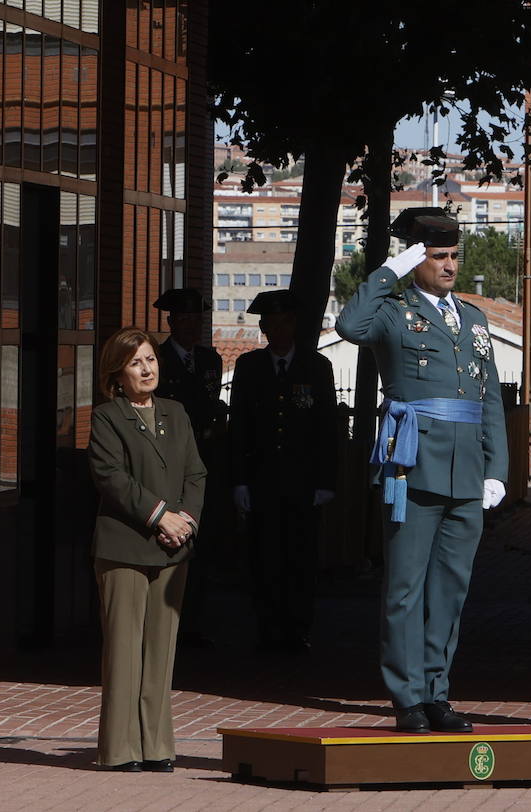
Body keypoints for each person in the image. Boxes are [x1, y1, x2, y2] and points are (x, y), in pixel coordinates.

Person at [335, 207, 508, 734]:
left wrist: (496, 466)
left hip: (466, 470)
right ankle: (407, 695)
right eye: (437, 256)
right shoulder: (393, 309)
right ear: (416, 260)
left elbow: (489, 398)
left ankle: (437, 690)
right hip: (413, 464)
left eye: (454, 255)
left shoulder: (473, 318)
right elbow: (349, 325)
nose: (449, 265)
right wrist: (389, 271)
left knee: (450, 590)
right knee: (405, 589)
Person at [87, 326, 206, 772]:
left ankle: (156, 746)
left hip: (173, 549)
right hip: (124, 548)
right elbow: (112, 479)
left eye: (151, 359)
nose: (147, 368)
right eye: (136, 362)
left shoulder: (175, 412)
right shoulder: (106, 417)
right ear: (117, 374)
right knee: (124, 650)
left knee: (161, 651)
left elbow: (196, 474)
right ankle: (119, 749)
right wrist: (161, 516)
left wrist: (185, 522)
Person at [228, 289, 338, 651]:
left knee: (300, 557)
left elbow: (326, 427)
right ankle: (268, 624)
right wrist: (239, 480)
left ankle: (298, 626)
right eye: (269, 325)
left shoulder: (316, 366)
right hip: (262, 481)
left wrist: (325, 481)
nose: (275, 331)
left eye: (282, 323)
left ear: (293, 325)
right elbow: (240, 425)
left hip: (302, 482)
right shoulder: (249, 366)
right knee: (264, 556)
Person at [152, 288, 228, 648]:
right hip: (171, 460)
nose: (191, 326)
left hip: (203, 459)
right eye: (184, 319)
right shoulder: (159, 358)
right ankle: (169, 622)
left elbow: (211, 404)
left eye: (197, 320)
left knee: (203, 544)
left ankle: (194, 620)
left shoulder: (210, 359)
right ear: (171, 322)